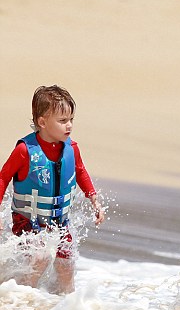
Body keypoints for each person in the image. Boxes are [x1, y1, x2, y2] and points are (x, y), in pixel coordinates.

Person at [0, 85, 105, 294]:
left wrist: (94, 200)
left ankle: (61, 306)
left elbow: (81, 172)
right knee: (40, 258)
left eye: (71, 120)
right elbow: (3, 178)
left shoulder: (71, 148)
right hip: (28, 220)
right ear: (42, 122)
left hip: (59, 221)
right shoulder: (24, 151)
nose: (69, 126)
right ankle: (19, 300)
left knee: (67, 266)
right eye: (62, 121)